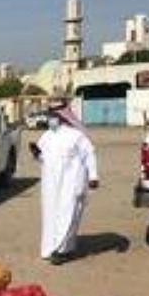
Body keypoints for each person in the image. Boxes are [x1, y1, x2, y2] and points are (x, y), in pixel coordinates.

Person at [29, 104, 99, 265]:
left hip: (72, 180)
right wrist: (36, 154)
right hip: (51, 183)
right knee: (51, 214)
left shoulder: (76, 136)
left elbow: (89, 155)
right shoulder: (46, 136)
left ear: (62, 117)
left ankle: (62, 251)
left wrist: (93, 176)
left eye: (52, 116)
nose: (50, 119)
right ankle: (49, 248)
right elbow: (43, 159)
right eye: (48, 116)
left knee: (69, 213)